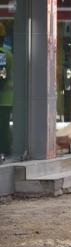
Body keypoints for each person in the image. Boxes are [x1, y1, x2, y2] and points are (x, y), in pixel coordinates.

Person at [0, 23, 13, 157]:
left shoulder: (2, 54)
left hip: (2, 99)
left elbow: (1, 76)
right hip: (6, 99)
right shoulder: (7, 53)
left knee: (2, 129)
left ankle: (4, 153)